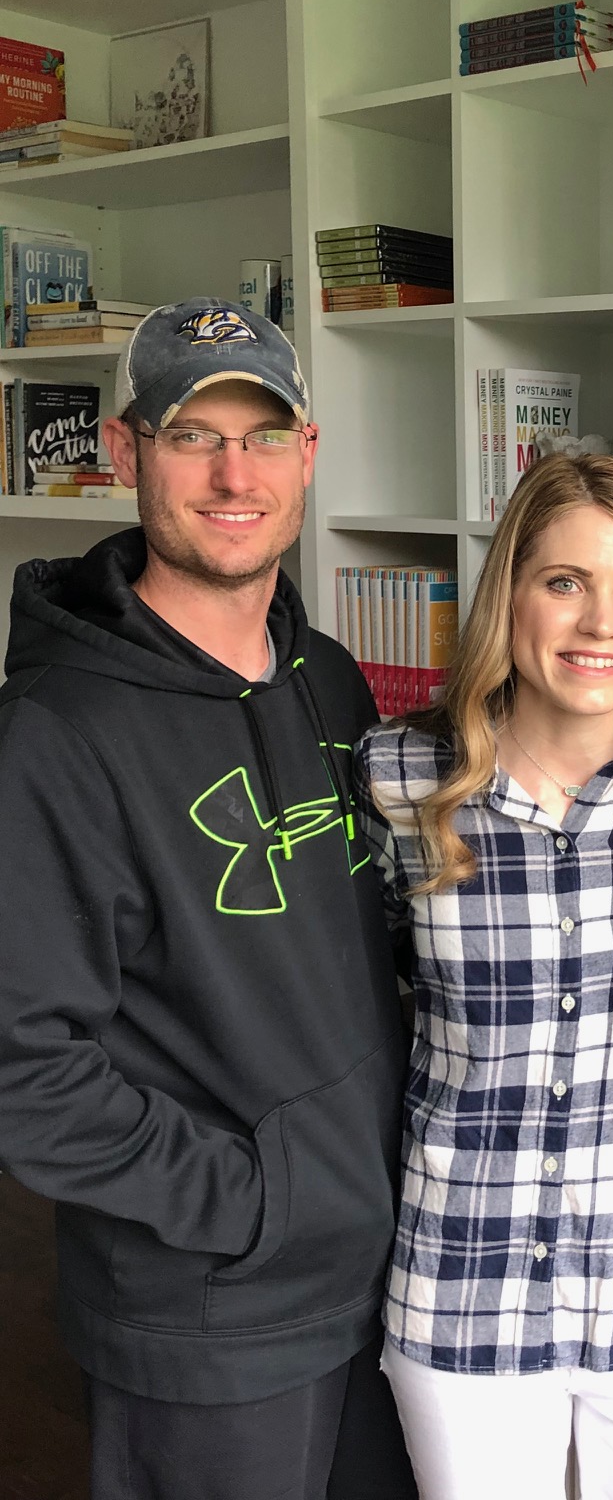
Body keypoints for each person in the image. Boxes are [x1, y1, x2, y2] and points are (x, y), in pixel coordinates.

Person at [0, 299, 414, 1499]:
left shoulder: (328, 682)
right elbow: (25, 1074)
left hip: (381, 1277)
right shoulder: (52, 738)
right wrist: (262, 1201)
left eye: (264, 434)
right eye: (193, 436)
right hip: (213, 1318)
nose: (235, 474)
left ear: (308, 455)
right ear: (125, 454)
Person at [356, 453, 613, 1500]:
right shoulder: (398, 780)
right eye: (564, 582)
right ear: (511, 594)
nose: (599, 624)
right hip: (461, 1285)